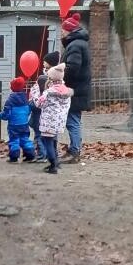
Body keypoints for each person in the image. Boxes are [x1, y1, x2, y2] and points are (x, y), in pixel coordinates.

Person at [60, 13, 92, 164]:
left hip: (74, 90)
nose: (62, 32)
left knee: (72, 121)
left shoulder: (75, 45)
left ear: (69, 31)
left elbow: (72, 68)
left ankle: (75, 151)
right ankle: (74, 149)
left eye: (63, 30)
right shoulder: (79, 44)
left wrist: (60, 78)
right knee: (73, 120)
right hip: (78, 89)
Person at [35, 64, 73, 174]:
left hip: (48, 121)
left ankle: (53, 164)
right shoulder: (66, 91)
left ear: (51, 78)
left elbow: (39, 104)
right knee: (53, 140)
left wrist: (36, 94)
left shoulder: (48, 92)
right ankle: (55, 162)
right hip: (59, 121)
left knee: (47, 141)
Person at [0, 77, 34, 163]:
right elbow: (28, 110)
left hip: (13, 125)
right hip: (24, 123)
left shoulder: (10, 100)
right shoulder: (25, 99)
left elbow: (6, 114)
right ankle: (30, 154)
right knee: (24, 139)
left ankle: (14, 157)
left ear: (12, 87)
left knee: (14, 140)